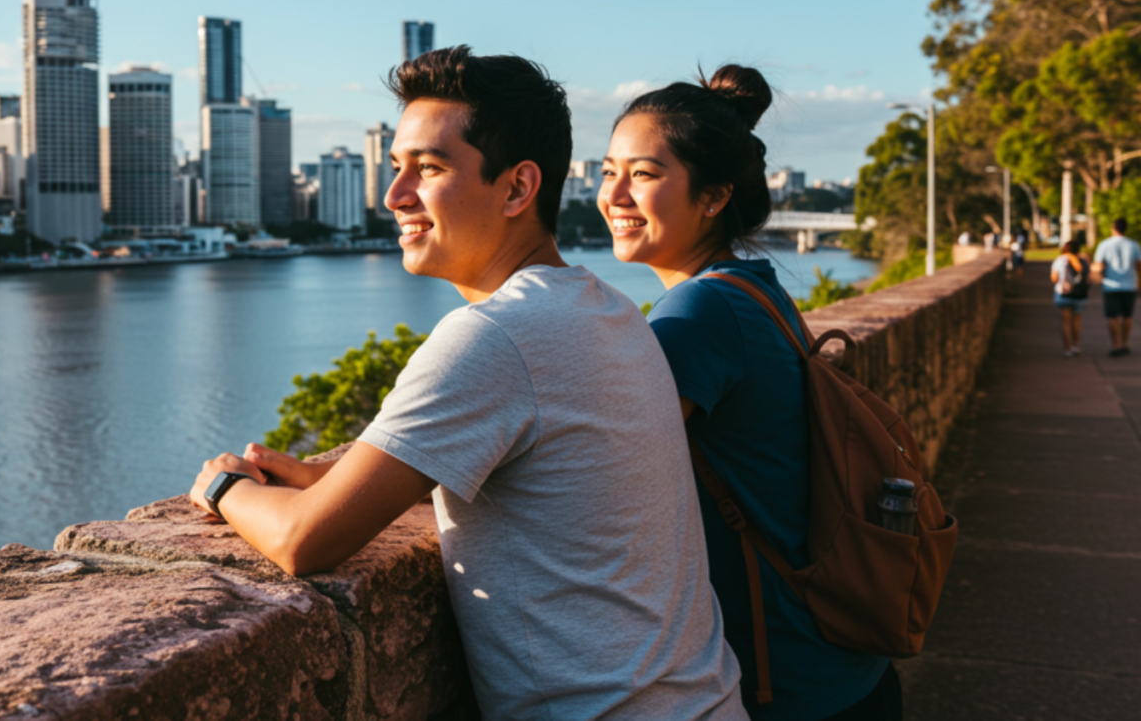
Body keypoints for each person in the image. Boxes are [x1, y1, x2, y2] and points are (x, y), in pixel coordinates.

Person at [188, 47, 747, 721]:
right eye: (396, 168)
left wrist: (226, 486)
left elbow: (304, 541)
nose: (394, 196)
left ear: (516, 188)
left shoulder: (495, 335)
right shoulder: (608, 310)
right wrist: (338, 476)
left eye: (428, 169)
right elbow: (547, 478)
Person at [598, 64, 901, 720]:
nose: (614, 194)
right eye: (606, 171)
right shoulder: (751, 286)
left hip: (788, 683)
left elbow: (597, 476)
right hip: (837, 665)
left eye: (644, 175)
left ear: (712, 197)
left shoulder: (697, 316)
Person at [1093, 217, 1141, 357]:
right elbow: (1140, 266)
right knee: (1128, 315)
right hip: (1129, 285)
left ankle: (1115, 344)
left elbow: (1098, 266)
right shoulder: (1134, 245)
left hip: (1110, 285)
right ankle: (1124, 343)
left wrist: (1098, 276)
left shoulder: (1104, 244)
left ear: (1113, 228)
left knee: (1112, 317)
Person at [1051, 237, 1091, 357]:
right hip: (1080, 295)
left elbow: (1054, 278)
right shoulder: (1083, 261)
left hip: (1064, 294)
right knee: (1077, 321)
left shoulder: (1060, 260)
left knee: (1066, 323)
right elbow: (1088, 279)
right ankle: (1076, 346)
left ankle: (1067, 349)